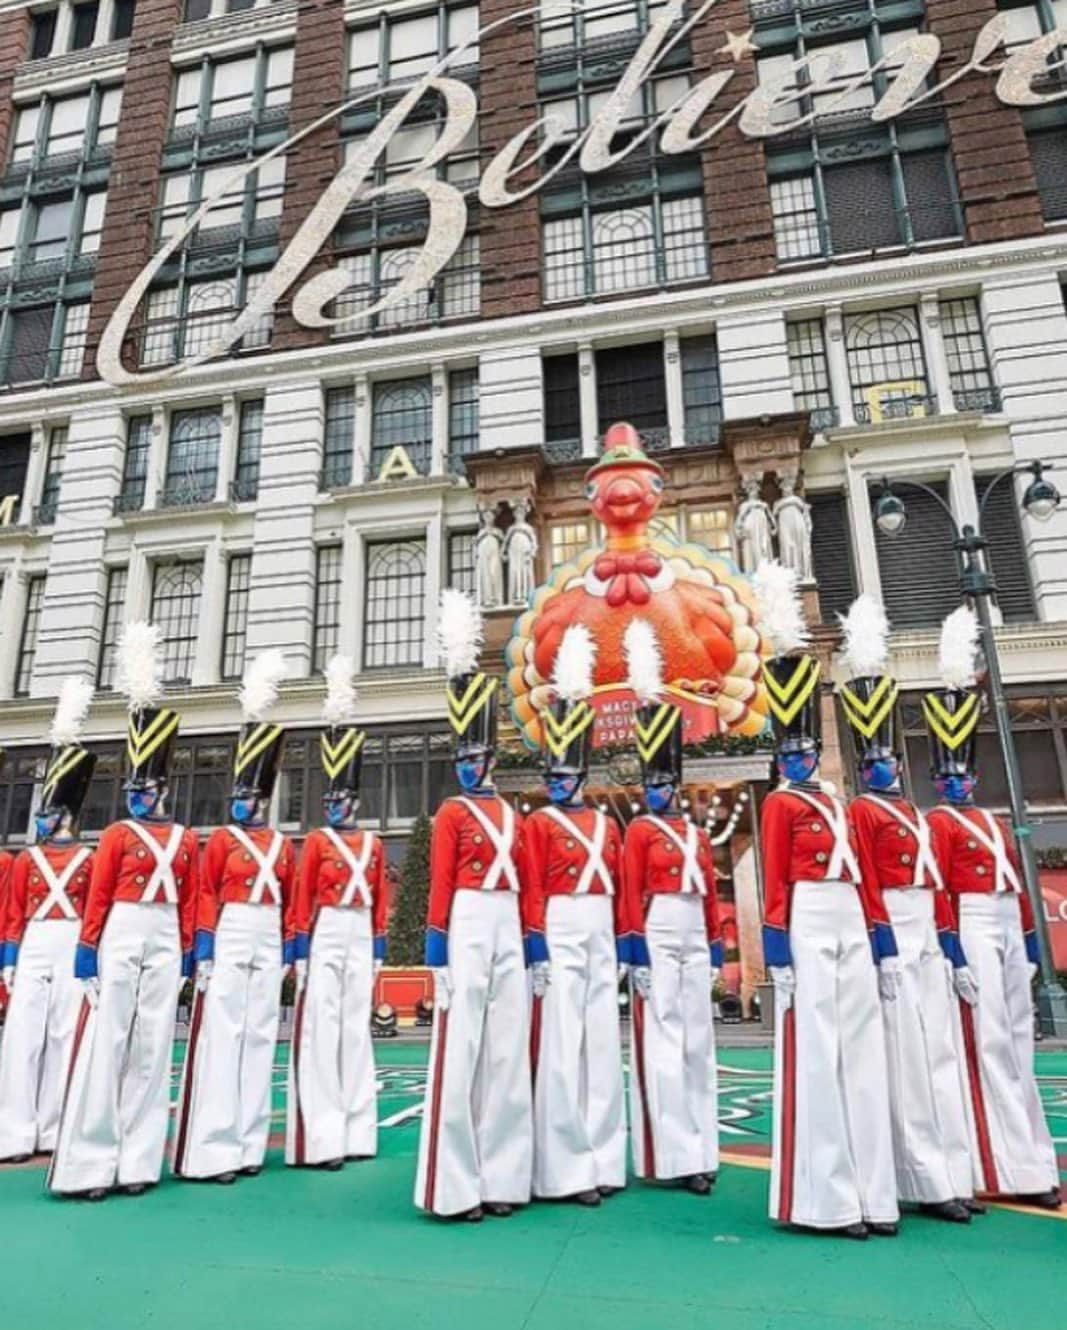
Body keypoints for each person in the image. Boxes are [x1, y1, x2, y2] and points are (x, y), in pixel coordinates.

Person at [759, 622, 900, 1238]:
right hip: (809, 917)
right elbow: (773, 883)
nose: (799, 759)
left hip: (849, 917)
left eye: (805, 751)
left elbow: (866, 877)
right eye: (789, 753)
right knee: (817, 1054)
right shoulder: (779, 804)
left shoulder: (842, 805)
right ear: (779, 756)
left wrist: (882, 940)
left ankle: (876, 1194)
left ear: (817, 751)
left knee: (864, 1056)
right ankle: (829, 1200)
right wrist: (777, 954)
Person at [839, 610, 979, 1224]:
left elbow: (938, 885)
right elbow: (867, 880)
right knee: (907, 1060)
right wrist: (883, 944)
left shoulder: (919, 815)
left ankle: (956, 1166)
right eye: (873, 759)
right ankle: (924, 1174)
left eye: (889, 757)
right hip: (893, 925)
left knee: (941, 1050)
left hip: (927, 925)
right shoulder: (861, 814)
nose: (884, 766)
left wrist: (953, 950)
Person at [50, 623, 198, 1199]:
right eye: (133, 785)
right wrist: (87, 953)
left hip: (163, 933)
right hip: (120, 930)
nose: (138, 794)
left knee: (154, 1042)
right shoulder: (115, 834)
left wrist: (187, 952)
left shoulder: (186, 838)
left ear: (164, 786)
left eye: (147, 784)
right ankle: (90, 1162)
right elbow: (100, 896)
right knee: (108, 1040)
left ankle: (138, 1162)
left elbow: (184, 902)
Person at [924, 609, 1060, 1210]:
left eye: (965, 771)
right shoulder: (939, 823)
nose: (959, 782)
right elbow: (939, 893)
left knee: (1017, 1043)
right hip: (973, 926)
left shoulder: (990, 821)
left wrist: (1033, 939)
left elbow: (1018, 881)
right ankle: (996, 1164)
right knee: (985, 1045)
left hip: (1005, 922)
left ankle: (1028, 1156)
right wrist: (951, 947)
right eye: (949, 773)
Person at [414, 589, 531, 1221]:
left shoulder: (510, 812)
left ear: (490, 757)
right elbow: (439, 884)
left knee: (508, 1049)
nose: (467, 765)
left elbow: (528, 883)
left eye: (475, 756)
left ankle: (505, 1175)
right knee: (460, 1047)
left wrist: (532, 945)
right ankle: (455, 1183)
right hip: (465, 921)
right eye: (460, 757)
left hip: (507, 921)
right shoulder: (453, 813)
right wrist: (437, 952)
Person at [174, 652, 295, 1183]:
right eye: (239, 794)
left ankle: (248, 1143)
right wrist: (204, 950)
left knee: (261, 1033)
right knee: (224, 1034)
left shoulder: (282, 844)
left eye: (252, 794)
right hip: (231, 932)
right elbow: (203, 893)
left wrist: (291, 951)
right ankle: (215, 1145)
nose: (244, 802)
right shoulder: (221, 839)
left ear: (265, 798)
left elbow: (291, 902)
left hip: (267, 934)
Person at [521, 625, 626, 1206]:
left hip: (599, 928)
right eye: (554, 776)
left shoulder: (607, 824)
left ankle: (605, 1158)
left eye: (568, 775)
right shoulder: (538, 824)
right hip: (559, 926)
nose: (560, 783)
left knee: (602, 1044)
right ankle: (563, 1165)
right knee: (561, 1045)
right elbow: (532, 887)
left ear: (583, 775)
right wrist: (536, 945)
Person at [620, 619, 722, 1195]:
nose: (658, 792)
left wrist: (715, 947)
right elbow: (632, 893)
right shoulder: (638, 831)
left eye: (665, 783)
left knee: (697, 1038)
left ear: (677, 784)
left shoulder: (695, 833)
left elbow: (708, 893)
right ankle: (673, 1154)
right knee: (662, 1038)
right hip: (657, 928)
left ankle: (704, 1147)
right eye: (651, 784)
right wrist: (633, 950)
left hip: (690, 928)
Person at [286, 656, 389, 1169]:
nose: (336, 806)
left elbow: (381, 901)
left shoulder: (371, 844)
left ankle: (357, 1129)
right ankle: (324, 1136)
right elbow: (303, 895)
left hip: (359, 930)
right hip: (326, 927)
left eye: (343, 797)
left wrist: (380, 949)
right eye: (330, 797)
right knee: (322, 1026)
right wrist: (301, 948)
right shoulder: (316, 841)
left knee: (354, 1026)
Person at [0, 680, 96, 1162]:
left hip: (71, 937)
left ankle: (56, 1128)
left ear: (66, 817)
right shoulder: (25, 861)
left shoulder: (89, 858)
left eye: (49, 813)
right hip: (36, 939)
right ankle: (13, 1132)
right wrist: (9, 958)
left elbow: (96, 907)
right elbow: (13, 912)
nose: (42, 820)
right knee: (22, 1036)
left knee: (64, 1033)